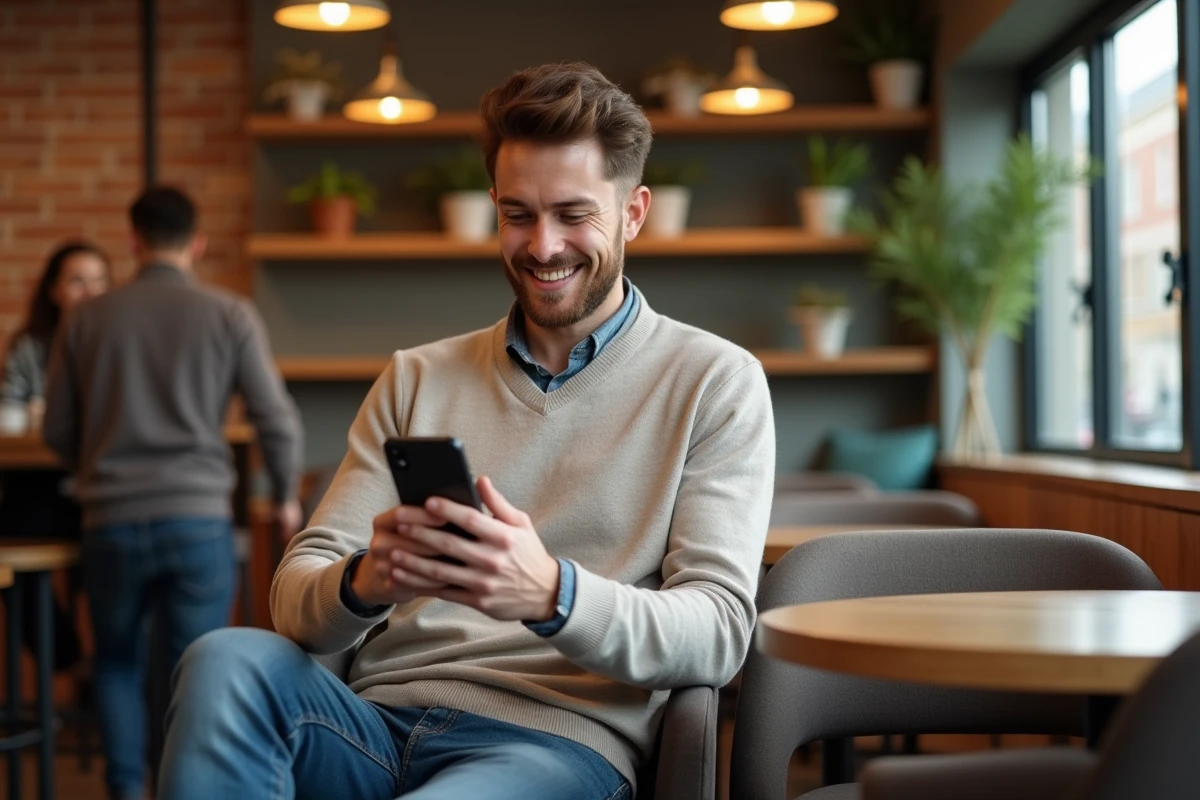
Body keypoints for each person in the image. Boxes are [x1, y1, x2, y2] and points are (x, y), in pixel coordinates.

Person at [158, 63, 775, 800]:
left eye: (573, 214)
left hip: (556, 745)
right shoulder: (416, 377)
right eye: (518, 215)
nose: (542, 246)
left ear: (633, 212)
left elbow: (718, 631)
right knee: (222, 660)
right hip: (373, 725)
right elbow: (295, 593)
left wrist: (552, 594)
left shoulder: (714, 381)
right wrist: (365, 582)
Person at [43, 186, 305, 800]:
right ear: (198, 243)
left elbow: (56, 429)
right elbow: (276, 418)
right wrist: (285, 492)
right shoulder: (229, 313)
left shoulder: (86, 318)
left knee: (115, 660)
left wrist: (97, 464)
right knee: (194, 670)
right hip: (197, 520)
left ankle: (125, 789)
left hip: (109, 521)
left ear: (133, 241)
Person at [0, 240, 110, 671]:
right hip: (43, 489)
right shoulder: (31, 346)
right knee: (11, 534)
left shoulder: (118, 343)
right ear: (53, 290)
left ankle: (112, 672)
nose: (91, 291)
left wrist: (47, 412)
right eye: (77, 281)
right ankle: (67, 659)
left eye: (99, 281)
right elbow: (8, 416)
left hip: (106, 490)